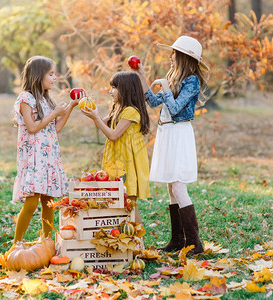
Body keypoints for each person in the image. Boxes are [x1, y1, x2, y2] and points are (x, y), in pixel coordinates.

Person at [130, 36, 209, 255]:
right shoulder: (172, 77)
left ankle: (194, 243)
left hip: (179, 133)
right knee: (170, 188)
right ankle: (178, 239)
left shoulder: (191, 81)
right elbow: (154, 102)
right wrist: (142, 76)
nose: (170, 56)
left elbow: (174, 109)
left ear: (183, 57)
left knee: (178, 186)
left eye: (174, 53)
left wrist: (164, 86)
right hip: (167, 132)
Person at [12, 56, 83, 243]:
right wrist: (54, 113)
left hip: (48, 157)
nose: (55, 78)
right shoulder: (25, 99)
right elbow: (32, 127)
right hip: (33, 159)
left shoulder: (45, 99)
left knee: (48, 202)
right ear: (38, 75)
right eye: (50, 74)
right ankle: (16, 244)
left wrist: (70, 107)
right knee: (32, 202)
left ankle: (47, 241)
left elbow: (55, 128)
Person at [81, 71, 151, 224]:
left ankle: (139, 241)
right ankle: (127, 237)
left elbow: (113, 135)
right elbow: (101, 123)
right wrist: (92, 112)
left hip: (128, 162)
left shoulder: (131, 111)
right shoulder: (118, 108)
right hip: (118, 160)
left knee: (129, 202)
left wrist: (96, 118)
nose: (110, 91)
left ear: (125, 90)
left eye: (114, 87)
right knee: (118, 198)